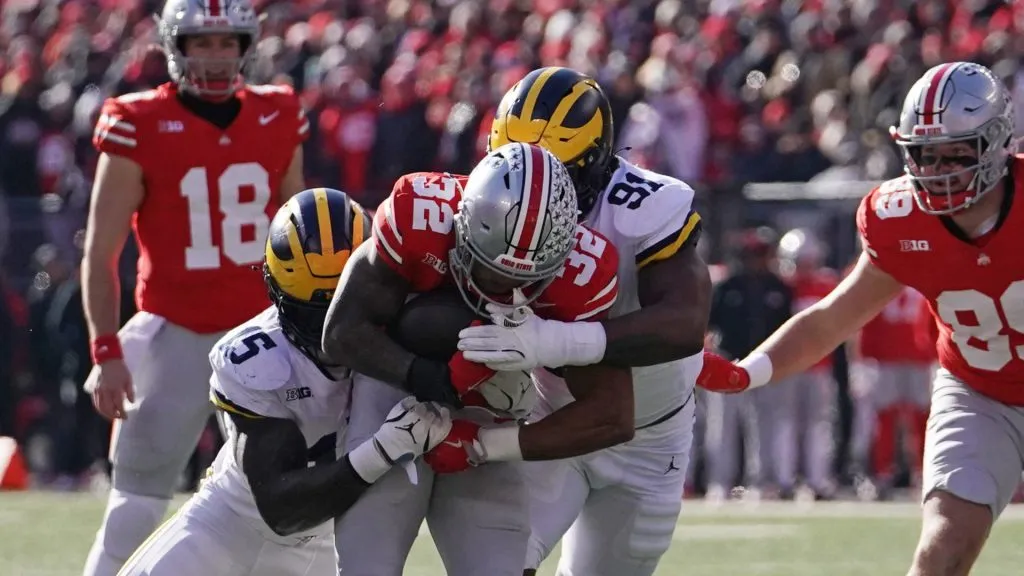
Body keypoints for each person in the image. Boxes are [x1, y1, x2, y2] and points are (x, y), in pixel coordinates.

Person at [698, 61, 1024, 576]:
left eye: (957, 153)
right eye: (926, 154)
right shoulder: (899, 218)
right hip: (979, 391)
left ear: (998, 145)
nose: (939, 170)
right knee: (942, 549)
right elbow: (831, 319)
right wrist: (749, 371)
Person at [323, 142, 630, 576]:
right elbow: (341, 332)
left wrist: (483, 444)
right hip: (393, 385)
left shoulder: (583, 272)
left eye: (522, 279)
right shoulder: (419, 213)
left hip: (490, 406)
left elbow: (612, 416)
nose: (501, 287)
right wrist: (423, 375)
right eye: (490, 269)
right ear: (462, 223)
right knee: (367, 565)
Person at [456, 66, 711, 575]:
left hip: (649, 438)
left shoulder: (644, 206)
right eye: (516, 166)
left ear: (594, 162)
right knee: (497, 563)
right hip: (550, 414)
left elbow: (684, 324)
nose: (533, 188)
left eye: (555, 172)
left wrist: (555, 342)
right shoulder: (491, 196)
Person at [81, 1, 307, 573]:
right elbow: (100, 252)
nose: (216, 56)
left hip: (265, 335)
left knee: (290, 514)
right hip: (175, 333)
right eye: (202, 43)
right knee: (133, 509)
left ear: (246, 47)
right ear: (175, 47)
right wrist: (106, 350)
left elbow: (299, 233)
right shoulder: (136, 122)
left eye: (227, 42)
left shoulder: (279, 112)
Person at [117, 188, 451, 576]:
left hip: (325, 546)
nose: (331, 328)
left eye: (345, 304)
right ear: (275, 292)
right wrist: (383, 449)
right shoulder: (257, 359)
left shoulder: (405, 329)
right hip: (232, 527)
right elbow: (281, 509)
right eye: (315, 311)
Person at [703, 228, 791, 501]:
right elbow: (708, 325)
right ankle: (719, 483)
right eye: (752, 254)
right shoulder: (727, 287)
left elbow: (788, 327)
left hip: (764, 364)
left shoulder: (778, 288)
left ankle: (760, 483)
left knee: (764, 427)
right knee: (722, 427)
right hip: (729, 361)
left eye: (761, 254)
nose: (757, 260)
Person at [771, 228, 839, 499]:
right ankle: (784, 480)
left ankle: (817, 479)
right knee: (785, 424)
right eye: (800, 262)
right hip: (787, 366)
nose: (804, 268)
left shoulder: (827, 284)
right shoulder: (780, 287)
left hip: (819, 365)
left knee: (818, 425)